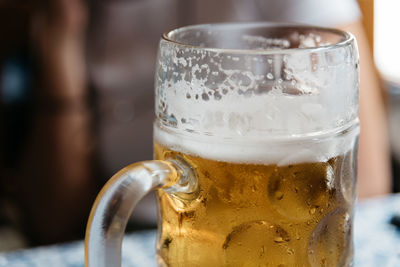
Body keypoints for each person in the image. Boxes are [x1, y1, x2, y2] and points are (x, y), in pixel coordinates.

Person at [0, 0, 391, 246]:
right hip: (167, 238)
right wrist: (60, 35)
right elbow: (53, 219)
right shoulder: (74, 13)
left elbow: (367, 187)